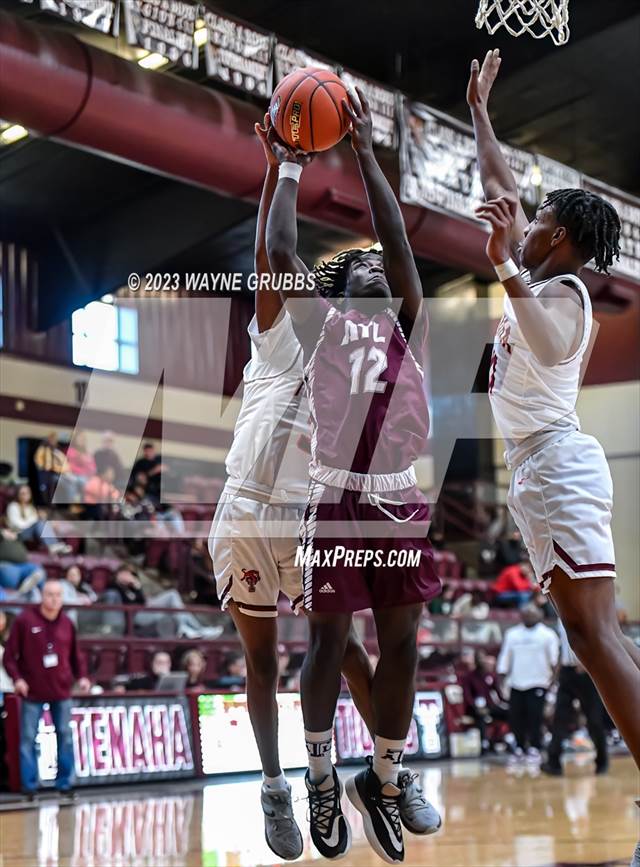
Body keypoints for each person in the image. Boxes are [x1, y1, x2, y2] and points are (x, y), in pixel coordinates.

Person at [208, 115, 435, 863]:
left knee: (345, 651)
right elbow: (269, 251)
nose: (373, 269)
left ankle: (390, 770)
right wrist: (281, 165)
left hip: (318, 513)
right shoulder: (288, 324)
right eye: (359, 266)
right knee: (263, 657)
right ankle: (277, 782)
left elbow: (398, 267)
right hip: (249, 506)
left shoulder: (379, 335)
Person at [469, 51, 640, 856]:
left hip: (559, 461)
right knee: (590, 638)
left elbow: (539, 336)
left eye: (537, 219)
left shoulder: (564, 296)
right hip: (540, 469)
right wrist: (479, 113)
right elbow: (503, 189)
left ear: (559, 237)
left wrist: (506, 261)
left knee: (600, 639)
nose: (521, 220)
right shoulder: (544, 271)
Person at [3, 578, 91, 797]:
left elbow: (76, 655)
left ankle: (64, 784)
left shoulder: (67, 624)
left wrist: (82, 677)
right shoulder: (25, 620)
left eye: (58, 595)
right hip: (32, 691)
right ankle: (29, 786)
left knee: (65, 736)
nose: (54, 599)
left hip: (61, 691)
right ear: (42, 596)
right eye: (50, 594)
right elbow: (9, 658)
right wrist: (18, 679)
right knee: (28, 739)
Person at [542, 622, 609, 777]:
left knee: (594, 719)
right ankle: (553, 763)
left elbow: (597, 638)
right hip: (567, 671)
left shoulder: (582, 609)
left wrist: (588, 662)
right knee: (560, 717)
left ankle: (602, 760)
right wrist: (556, 673)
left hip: (587, 672)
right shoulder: (560, 618)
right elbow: (563, 648)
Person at [496, 604, 559, 763]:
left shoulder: (548, 635)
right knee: (516, 718)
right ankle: (519, 747)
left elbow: (555, 662)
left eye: (532, 613)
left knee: (535, 718)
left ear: (539, 615)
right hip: (516, 683)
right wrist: (502, 679)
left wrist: (553, 683)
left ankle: (536, 747)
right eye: (526, 613)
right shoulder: (512, 634)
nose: (529, 616)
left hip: (538, 683)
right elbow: (504, 659)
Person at [461, 650, 509, 751]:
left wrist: (507, 703)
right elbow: (467, 696)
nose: (481, 661)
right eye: (479, 659)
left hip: (489, 706)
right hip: (474, 708)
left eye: (483, 658)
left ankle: (507, 739)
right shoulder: (469, 677)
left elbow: (498, 693)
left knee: (509, 713)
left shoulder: (490, 675)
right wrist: (475, 706)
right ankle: (484, 743)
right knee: (481, 717)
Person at [5, 485, 69, 554]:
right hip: (19, 533)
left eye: (27, 493)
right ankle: (52, 545)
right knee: (39, 523)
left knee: (46, 523)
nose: (25, 495)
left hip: (31, 532)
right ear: (17, 495)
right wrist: (35, 519)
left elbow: (35, 522)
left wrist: (42, 519)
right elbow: (18, 525)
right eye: (22, 493)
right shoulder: (13, 506)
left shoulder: (30, 507)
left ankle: (55, 545)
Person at [0, 526, 46, 597]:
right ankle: (21, 591)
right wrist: (2, 533)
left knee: (39, 571)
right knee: (10, 574)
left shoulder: (18, 536)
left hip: (24, 565)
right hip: (5, 564)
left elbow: (28, 529)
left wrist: (15, 533)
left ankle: (26, 588)